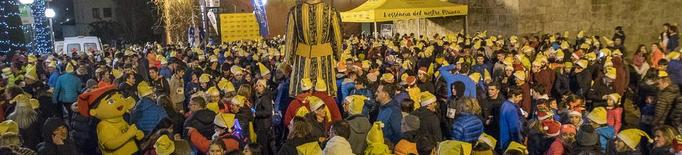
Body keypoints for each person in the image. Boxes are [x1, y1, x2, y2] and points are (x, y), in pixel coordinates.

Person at [284, 0, 343, 98]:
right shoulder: (331, 11)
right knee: (324, 97)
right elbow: (337, 38)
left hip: (303, 61)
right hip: (324, 61)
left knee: (303, 98)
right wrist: (337, 55)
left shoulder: (294, 12)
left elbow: (290, 39)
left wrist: (290, 59)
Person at [498, 88, 524, 153]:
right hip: (509, 141)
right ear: (513, 96)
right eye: (519, 96)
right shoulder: (511, 108)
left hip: (504, 139)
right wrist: (518, 143)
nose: (521, 99)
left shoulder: (505, 104)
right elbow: (514, 128)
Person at [253, 79, 273, 154]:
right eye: (257, 85)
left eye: (260, 86)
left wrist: (256, 114)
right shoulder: (260, 96)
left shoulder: (264, 98)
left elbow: (268, 111)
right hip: (262, 125)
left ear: (264, 87)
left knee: (263, 146)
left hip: (263, 126)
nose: (257, 87)